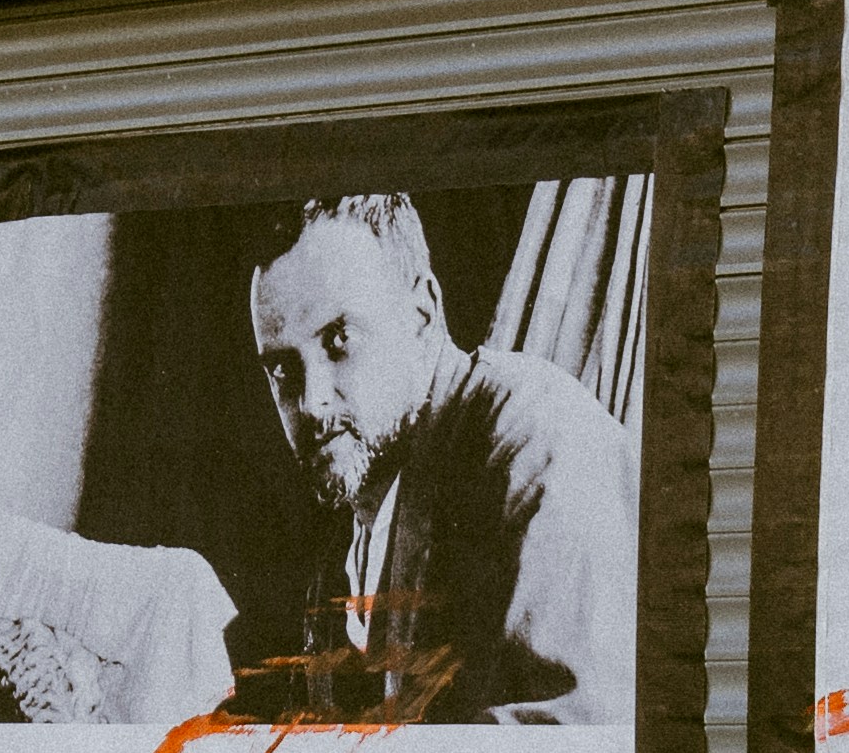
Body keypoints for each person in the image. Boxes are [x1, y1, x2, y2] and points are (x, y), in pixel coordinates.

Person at [239, 191, 634, 724]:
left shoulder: (538, 439)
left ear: (422, 314)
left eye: (339, 339)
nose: (312, 402)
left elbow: (569, 742)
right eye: (284, 370)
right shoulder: (355, 513)